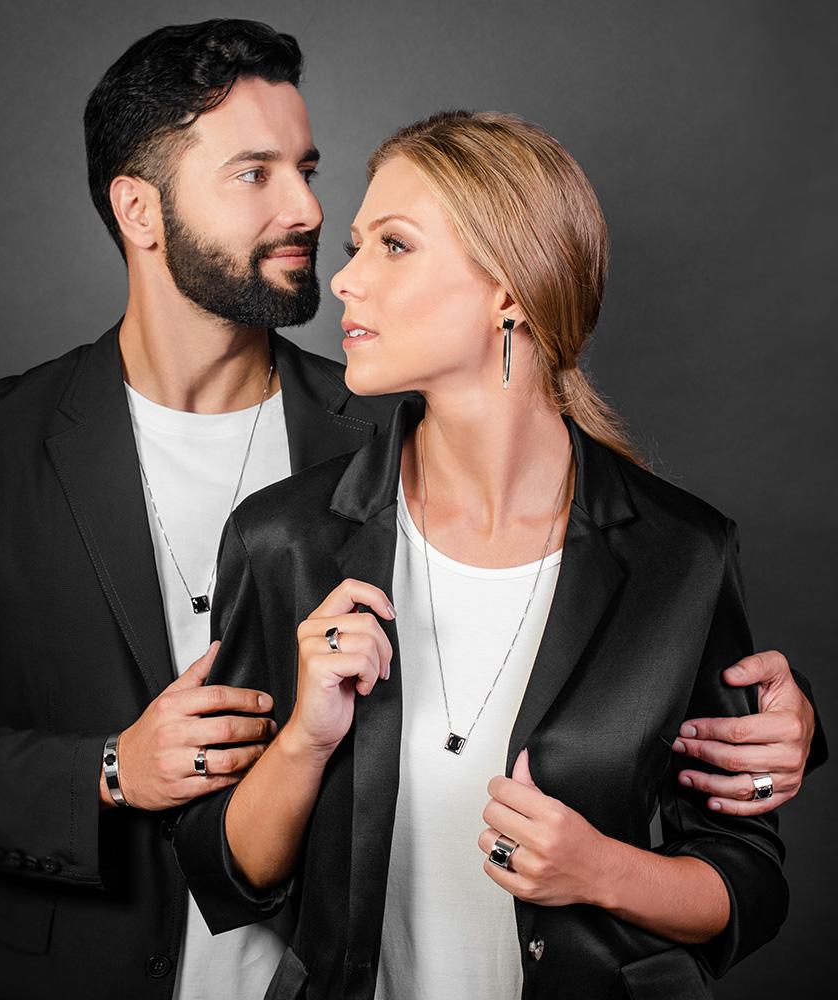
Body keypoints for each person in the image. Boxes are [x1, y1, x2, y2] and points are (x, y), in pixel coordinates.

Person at [0, 17, 823, 1000]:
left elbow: (608, 596)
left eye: (307, 169)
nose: (308, 208)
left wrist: (783, 728)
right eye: (254, 173)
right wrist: (110, 769)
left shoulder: (393, 425)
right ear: (140, 209)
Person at [172, 111, 816, 1000]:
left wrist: (604, 872)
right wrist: (304, 743)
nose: (345, 278)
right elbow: (224, 871)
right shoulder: (284, 538)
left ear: (510, 291)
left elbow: (750, 881)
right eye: (356, 246)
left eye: (395, 245)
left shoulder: (682, 557)